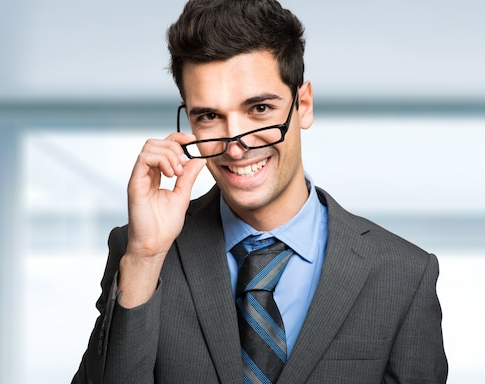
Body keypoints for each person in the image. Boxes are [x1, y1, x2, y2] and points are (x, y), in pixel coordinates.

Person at [72, 0, 448, 383]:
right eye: (209, 116)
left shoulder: (403, 274)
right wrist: (145, 258)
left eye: (260, 109)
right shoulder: (137, 251)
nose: (236, 146)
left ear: (302, 105)